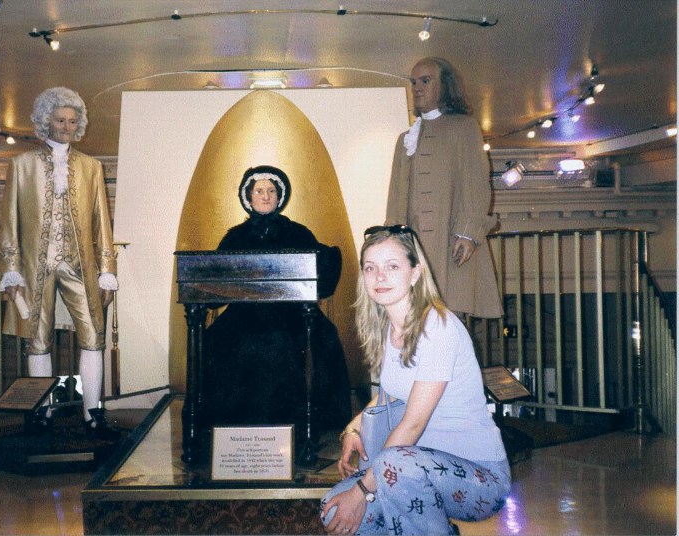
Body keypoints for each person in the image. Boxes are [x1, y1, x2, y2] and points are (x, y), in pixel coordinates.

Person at [321, 225, 510, 535]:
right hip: (416, 468)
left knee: (390, 467)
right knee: (333, 510)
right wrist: (354, 427)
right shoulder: (387, 328)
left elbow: (412, 425)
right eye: (370, 268)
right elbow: (389, 395)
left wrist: (360, 492)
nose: (380, 277)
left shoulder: (438, 327)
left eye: (392, 266)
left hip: (478, 476)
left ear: (415, 273)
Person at [0, 86, 120, 440]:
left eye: (72, 120)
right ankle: (43, 411)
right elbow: (10, 222)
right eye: (60, 120)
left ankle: (93, 412)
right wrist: (11, 270)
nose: (67, 126)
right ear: (45, 121)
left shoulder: (91, 167)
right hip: (36, 267)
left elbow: (102, 223)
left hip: (80, 266)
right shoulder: (21, 165)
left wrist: (107, 270)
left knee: (93, 335)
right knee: (37, 339)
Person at [204, 165, 352, 444]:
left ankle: (301, 426)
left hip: (292, 312)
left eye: (271, 190)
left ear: (279, 196)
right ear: (248, 196)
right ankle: (232, 427)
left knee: (313, 339)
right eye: (259, 190)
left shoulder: (298, 232)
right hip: (244, 313)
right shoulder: (235, 236)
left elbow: (322, 264)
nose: (265, 196)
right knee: (217, 341)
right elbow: (216, 276)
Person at [386, 57, 502, 319]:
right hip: (412, 250)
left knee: (448, 322)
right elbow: (394, 197)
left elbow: (475, 184)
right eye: (414, 82)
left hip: (449, 246)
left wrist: (468, 234)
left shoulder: (464, 128)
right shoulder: (405, 139)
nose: (417, 87)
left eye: (425, 81)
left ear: (445, 85)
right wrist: (391, 240)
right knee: (412, 321)